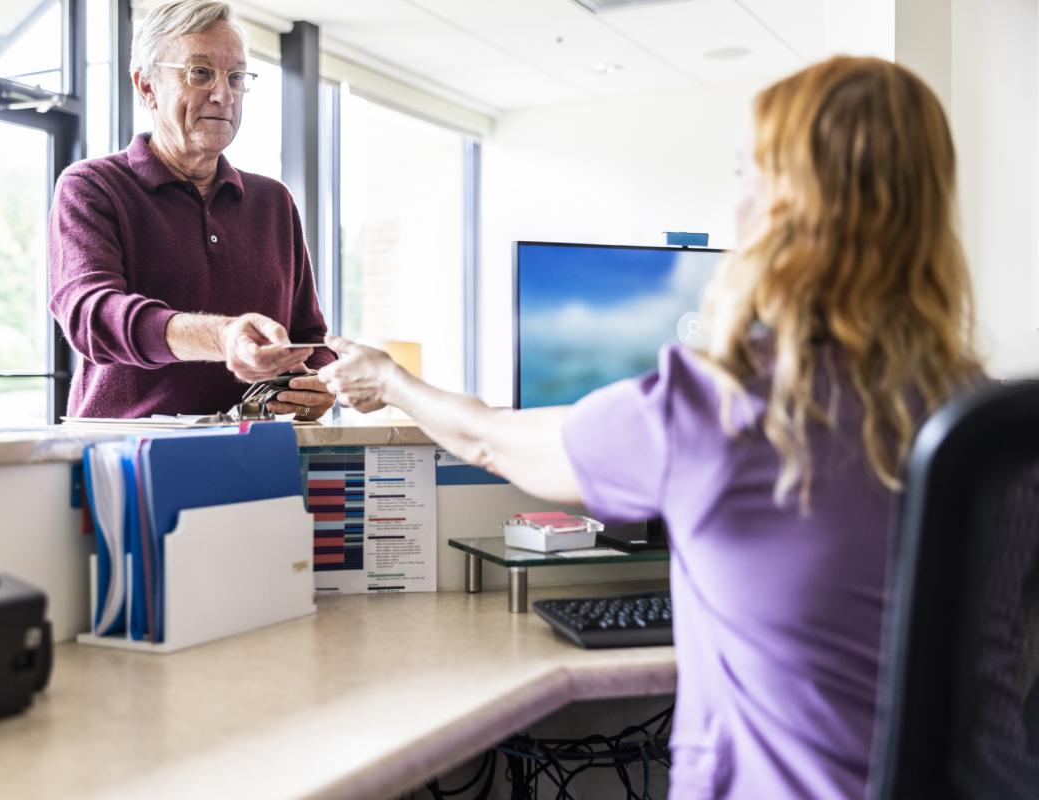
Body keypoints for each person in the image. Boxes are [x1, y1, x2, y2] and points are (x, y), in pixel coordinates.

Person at [319, 56, 981, 798]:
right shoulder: (985, 424)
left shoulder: (711, 408)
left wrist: (392, 382)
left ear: (782, 212)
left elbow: (490, 441)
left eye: (748, 177)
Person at [49, 0, 335, 420]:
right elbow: (92, 317)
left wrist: (317, 383)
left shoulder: (273, 202)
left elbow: (309, 337)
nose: (223, 95)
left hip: (254, 455)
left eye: (236, 77)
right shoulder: (92, 187)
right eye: (200, 73)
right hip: (129, 454)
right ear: (146, 86)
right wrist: (222, 337)